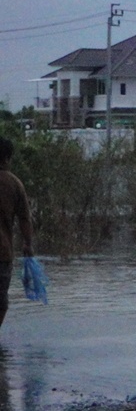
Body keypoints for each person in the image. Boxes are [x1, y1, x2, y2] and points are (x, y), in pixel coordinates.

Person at [0, 137, 35, 329]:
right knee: (0, 301)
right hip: (2, 253)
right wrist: (27, 245)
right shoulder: (14, 184)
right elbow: (25, 218)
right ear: (7, 158)